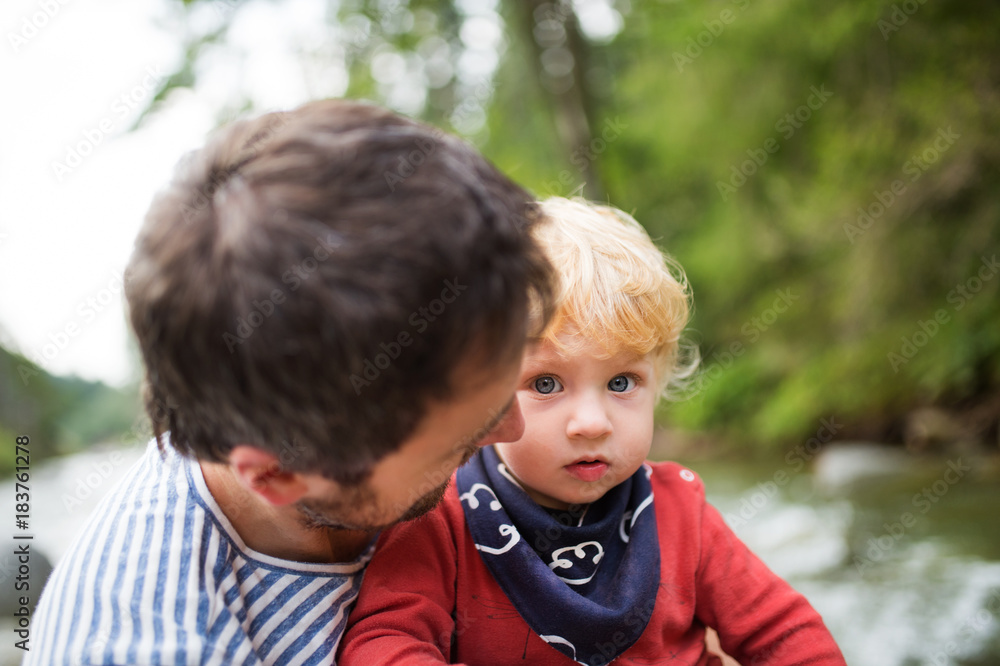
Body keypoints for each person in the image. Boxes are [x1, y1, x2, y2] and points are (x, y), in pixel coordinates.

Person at [26, 99, 555, 665]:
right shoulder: (151, 641)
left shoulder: (337, 429)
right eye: (459, 441)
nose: (515, 428)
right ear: (277, 473)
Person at [339, 197, 847, 665]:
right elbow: (382, 644)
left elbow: (785, 632)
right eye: (545, 382)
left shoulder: (680, 511)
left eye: (622, 381)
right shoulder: (441, 516)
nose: (592, 423)